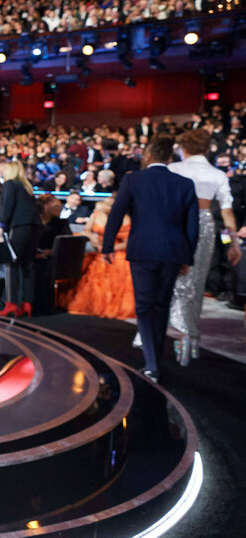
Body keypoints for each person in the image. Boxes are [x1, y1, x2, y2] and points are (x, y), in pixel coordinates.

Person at [102, 136, 199, 383]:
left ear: (148, 156)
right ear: (169, 158)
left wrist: (107, 246)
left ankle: (153, 364)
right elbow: (192, 225)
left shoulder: (133, 179)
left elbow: (116, 213)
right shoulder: (185, 183)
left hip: (143, 250)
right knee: (161, 305)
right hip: (172, 252)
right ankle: (154, 360)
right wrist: (188, 256)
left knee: (145, 307)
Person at [167, 128, 242, 364]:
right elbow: (227, 212)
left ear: (184, 148)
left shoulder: (174, 169)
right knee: (196, 282)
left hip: (177, 224)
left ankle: (178, 334)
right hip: (207, 227)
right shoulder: (217, 174)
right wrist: (233, 243)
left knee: (174, 280)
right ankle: (191, 339)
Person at [66, 197, 135, 320]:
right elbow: (86, 230)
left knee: (115, 269)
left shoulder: (125, 218)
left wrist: (108, 248)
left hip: (117, 252)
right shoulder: (96, 215)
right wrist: (93, 238)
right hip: (99, 251)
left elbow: (128, 242)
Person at [0, 160, 41, 318]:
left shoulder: (10, 184)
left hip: (19, 228)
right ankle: (27, 304)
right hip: (34, 228)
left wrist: (0, 227)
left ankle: (11, 304)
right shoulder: (27, 187)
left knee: (10, 265)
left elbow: (7, 207)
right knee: (28, 265)